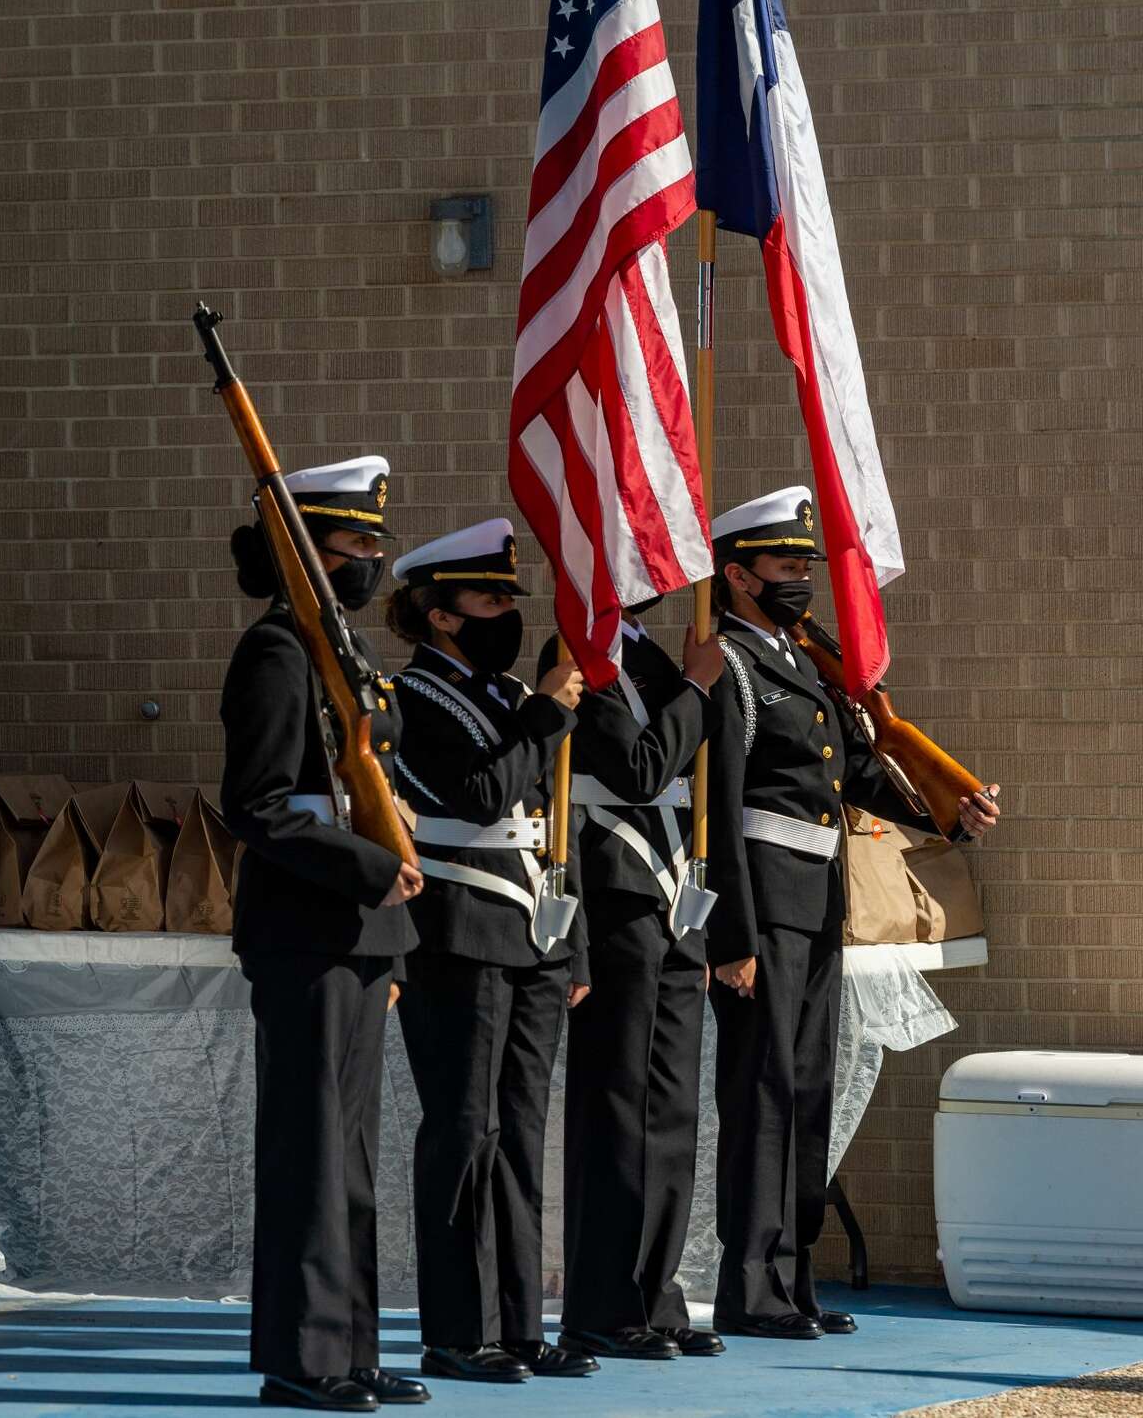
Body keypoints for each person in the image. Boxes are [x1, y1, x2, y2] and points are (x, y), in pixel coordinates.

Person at [706, 486, 1001, 1342]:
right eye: (788, 564)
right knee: (761, 1094)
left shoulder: (799, 658)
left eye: (806, 564)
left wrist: (946, 810)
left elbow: (852, 771)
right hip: (763, 899)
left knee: (804, 1091)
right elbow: (721, 806)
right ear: (738, 573)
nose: (803, 577)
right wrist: (734, 933)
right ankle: (748, 1285)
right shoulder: (727, 661)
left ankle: (793, 1279)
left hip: (816, 897)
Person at [219, 457, 429, 1414]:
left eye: (376, 545)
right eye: (356, 544)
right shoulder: (275, 653)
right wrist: (369, 873)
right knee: (309, 1149)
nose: (372, 560)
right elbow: (257, 804)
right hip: (304, 929)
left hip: (359, 934)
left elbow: (373, 798)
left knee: (350, 1156)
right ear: (306, 553)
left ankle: (348, 1343)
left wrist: (390, 931)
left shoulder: (344, 655)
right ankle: (301, 1358)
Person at [388, 519, 597, 1386]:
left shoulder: (512, 696)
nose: (507, 609)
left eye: (511, 594)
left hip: (532, 938)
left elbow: (553, 818)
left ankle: (517, 1324)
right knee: (465, 1131)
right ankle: (455, 1329)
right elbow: (480, 796)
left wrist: (575, 946)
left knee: (520, 1134)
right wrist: (548, 711)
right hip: (457, 934)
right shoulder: (413, 698)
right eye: (488, 596)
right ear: (439, 614)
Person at [537, 602, 727, 1362]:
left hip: (676, 894)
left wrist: (689, 683)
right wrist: (699, 689)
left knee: (671, 1112)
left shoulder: (649, 656)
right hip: (615, 894)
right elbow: (640, 767)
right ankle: (603, 1303)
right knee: (617, 1109)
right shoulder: (582, 650)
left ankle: (656, 1292)